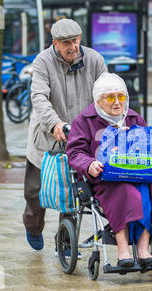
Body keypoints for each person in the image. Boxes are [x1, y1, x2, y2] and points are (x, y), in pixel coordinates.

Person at [66, 73, 152, 267]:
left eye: (121, 97)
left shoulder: (134, 118)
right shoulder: (84, 120)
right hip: (105, 179)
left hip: (139, 175)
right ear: (98, 101)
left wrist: (138, 140)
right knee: (125, 190)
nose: (117, 102)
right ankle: (123, 250)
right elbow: (75, 152)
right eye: (110, 97)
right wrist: (89, 164)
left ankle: (143, 250)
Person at [23, 19, 107, 252]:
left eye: (76, 41)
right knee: (34, 192)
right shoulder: (42, 61)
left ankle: (66, 242)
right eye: (67, 43)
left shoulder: (95, 60)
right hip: (47, 136)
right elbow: (39, 96)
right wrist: (55, 123)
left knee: (72, 193)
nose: (73, 47)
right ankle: (33, 226)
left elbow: (104, 93)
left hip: (80, 139)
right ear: (55, 44)